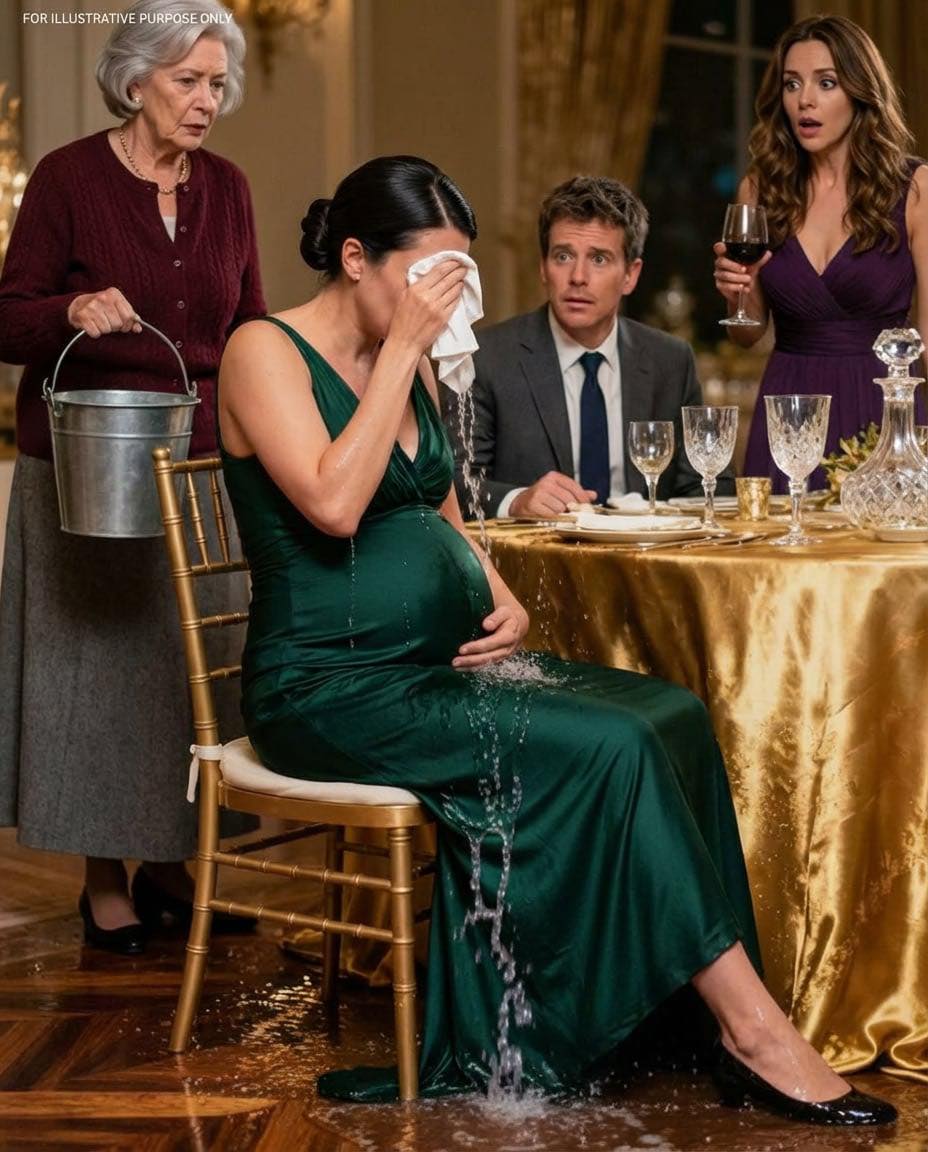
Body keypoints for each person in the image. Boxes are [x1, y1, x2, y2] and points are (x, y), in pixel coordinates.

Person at [216, 153, 894, 1124]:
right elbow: (334, 503)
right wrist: (403, 352)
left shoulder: (401, 361)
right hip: (328, 688)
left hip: (432, 669)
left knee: (669, 714)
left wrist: (500, 596)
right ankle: (754, 1034)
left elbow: (441, 507)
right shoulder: (264, 352)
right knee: (610, 747)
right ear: (356, 258)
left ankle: (671, 1015)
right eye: (426, 276)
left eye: (454, 276)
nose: (442, 302)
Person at [0, 0, 265, 954]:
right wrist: (71, 309)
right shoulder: (69, 177)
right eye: (188, 80)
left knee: (187, 678)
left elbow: (250, 329)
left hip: (201, 464)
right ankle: (102, 879)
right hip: (86, 465)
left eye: (217, 83)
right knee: (98, 677)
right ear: (136, 78)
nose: (206, 100)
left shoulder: (227, 187)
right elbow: (7, 317)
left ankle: (171, 862)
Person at [713, 14, 928, 492]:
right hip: (790, 409)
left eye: (826, 83)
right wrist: (736, 294)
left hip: (884, 410)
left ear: (860, 92)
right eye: (792, 84)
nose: (804, 100)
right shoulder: (761, 190)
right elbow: (747, 334)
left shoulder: (915, 189)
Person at [447, 176, 731, 521]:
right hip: (538, 552)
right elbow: (454, 482)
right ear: (543, 267)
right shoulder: (489, 358)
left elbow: (707, 484)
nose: (578, 276)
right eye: (563, 256)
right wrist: (517, 501)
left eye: (598, 259)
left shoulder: (670, 360)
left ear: (631, 275)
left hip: (643, 550)